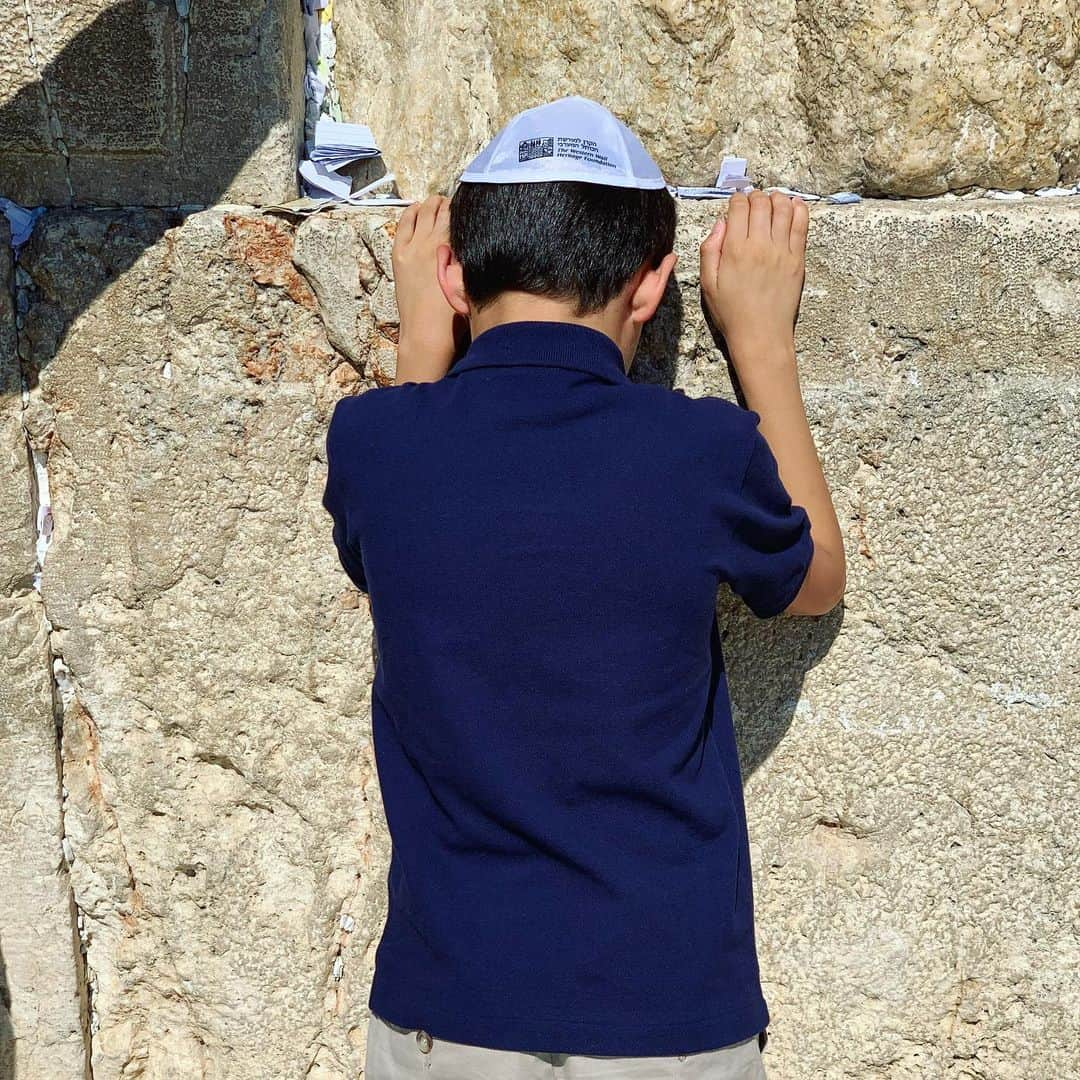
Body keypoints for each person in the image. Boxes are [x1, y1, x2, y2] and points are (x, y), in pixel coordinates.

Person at [322, 95, 846, 1079]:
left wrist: (423, 349)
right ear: (648, 290)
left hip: (448, 1010)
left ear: (452, 275)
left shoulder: (376, 443)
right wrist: (762, 343)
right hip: (666, 1018)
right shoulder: (699, 451)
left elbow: (383, 542)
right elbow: (812, 578)